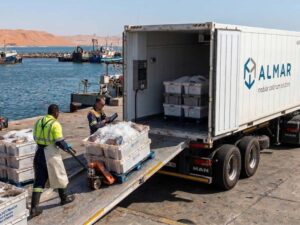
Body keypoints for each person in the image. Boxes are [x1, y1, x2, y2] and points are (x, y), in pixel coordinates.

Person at [30, 104, 75, 218]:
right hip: (50, 154)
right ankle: (64, 199)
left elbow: (35, 137)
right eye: (58, 113)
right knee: (59, 175)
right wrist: (67, 147)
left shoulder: (39, 122)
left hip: (39, 152)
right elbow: (59, 141)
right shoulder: (55, 124)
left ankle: (34, 208)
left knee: (39, 180)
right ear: (56, 113)